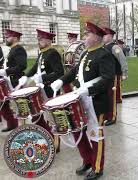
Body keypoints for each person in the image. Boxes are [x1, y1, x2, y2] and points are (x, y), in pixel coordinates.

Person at [50, 21, 115, 179]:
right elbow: (74, 72)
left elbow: (108, 80)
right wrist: (61, 80)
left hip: (95, 101)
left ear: (97, 37)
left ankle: (97, 166)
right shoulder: (86, 53)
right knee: (78, 131)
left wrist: (89, 89)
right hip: (79, 99)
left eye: (87, 34)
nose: (84, 36)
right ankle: (87, 160)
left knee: (94, 134)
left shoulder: (105, 54)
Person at [18, 29, 64, 151]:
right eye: (38, 39)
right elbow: (34, 68)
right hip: (41, 89)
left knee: (52, 119)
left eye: (41, 39)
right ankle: (45, 138)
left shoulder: (53, 53)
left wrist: (43, 77)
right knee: (37, 116)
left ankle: (55, 144)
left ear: (49, 40)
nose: (39, 41)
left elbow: (60, 72)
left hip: (50, 89)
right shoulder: (42, 52)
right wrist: (26, 76)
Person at [0, 29, 27, 132]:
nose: (6, 38)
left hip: (17, 82)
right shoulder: (13, 49)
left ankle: (23, 131)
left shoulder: (18, 49)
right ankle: (15, 126)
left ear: (15, 38)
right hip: (11, 82)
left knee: (22, 110)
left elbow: (22, 66)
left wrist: (5, 72)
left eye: (8, 37)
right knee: (10, 106)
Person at [102, 27, 128, 126]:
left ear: (111, 36)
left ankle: (112, 116)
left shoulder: (115, 47)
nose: (103, 37)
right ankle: (106, 114)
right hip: (105, 76)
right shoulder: (103, 47)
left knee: (112, 97)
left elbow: (123, 60)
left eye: (105, 35)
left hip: (114, 75)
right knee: (105, 97)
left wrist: (125, 73)